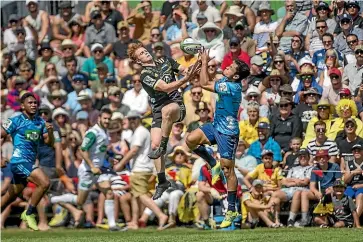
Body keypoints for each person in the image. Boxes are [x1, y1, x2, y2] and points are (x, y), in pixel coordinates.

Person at [186, 48, 250, 228]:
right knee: (190, 140)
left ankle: (231, 209)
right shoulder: (226, 80)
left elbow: (205, 82)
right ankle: (211, 161)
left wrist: (205, 62)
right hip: (216, 126)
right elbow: (209, 77)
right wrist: (201, 63)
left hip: (228, 132)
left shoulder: (232, 86)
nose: (227, 67)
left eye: (231, 67)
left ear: (236, 76)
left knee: (228, 171)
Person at [127, 42, 199, 199]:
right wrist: (184, 80)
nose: (145, 53)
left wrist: (194, 67)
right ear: (138, 61)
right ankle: (162, 181)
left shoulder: (165, 60)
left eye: (144, 51)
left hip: (175, 105)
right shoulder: (145, 75)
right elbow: (166, 87)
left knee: (167, 113)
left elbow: (183, 70)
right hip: (158, 110)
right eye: (141, 54)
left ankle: (163, 147)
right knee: (154, 145)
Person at [49, 108, 121, 231]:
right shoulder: (93, 132)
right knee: (79, 201)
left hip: (99, 171)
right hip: (88, 171)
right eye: (105, 118)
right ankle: (53, 199)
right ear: (99, 118)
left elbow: (100, 151)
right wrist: (92, 166)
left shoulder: (105, 132)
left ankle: (112, 225)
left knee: (109, 193)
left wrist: (109, 159)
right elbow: (83, 150)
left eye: (109, 119)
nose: (107, 121)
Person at [1, 92, 55, 231]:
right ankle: (29, 213)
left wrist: (49, 132)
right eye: (30, 103)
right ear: (22, 106)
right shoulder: (15, 120)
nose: (33, 105)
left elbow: (49, 143)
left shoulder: (40, 122)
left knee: (9, 197)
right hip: (19, 162)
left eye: (35, 103)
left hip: (29, 162)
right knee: (45, 182)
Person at [113, 111, 168, 230]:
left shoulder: (139, 132)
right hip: (142, 168)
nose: (132, 121)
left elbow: (133, 151)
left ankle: (161, 215)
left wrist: (121, 164)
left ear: (139, 119)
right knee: (135, 195)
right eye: (130, 118)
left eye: (134, 118)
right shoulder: (139, 132)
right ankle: (134, 222)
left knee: (141, 196)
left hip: (140, 169)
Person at [343, 143, 363, 224]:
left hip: (361, 187)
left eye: (359, 150)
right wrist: (353, 173)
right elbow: (345, 181)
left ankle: (354, 222)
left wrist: (361, 185)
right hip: (350, 187)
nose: (357, 152)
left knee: (360, 196)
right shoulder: (349, 163)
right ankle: (342, 220)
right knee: (345, 197)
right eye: (355, 151)